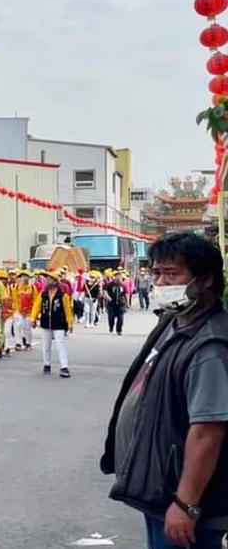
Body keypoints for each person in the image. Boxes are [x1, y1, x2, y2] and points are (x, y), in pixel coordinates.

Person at [100, 232, 228, 549]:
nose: (161, 281)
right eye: (156, 272)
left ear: (206, 279)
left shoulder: (209, 347)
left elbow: (208, 431)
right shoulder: (175, 322)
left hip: (185, 502)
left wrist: (186, 504)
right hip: (158, 490)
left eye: (172, 274)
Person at [31, 271, 73, 378]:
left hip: (59, 323)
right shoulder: (43, 294)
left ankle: (64, 366)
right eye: (47, 279)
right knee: (46, 345)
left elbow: (68, 310)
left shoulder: (62, 295)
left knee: (60, 344)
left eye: (50, 279)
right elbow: (37, 306)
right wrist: (33, 318)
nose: (48, 281)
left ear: (55, 282)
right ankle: (47, 364)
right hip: (46, 322)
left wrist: (70, 323)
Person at [10, 270, 38, 352]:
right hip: (18, 310)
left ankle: (28, 342)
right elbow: (13, 299)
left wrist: (35, 314)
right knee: (18, 326)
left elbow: (36, 300)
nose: (24, 278)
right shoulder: (16, 287)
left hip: (29, 311)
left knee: (27, 327)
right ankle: (18, 343)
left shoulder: (32, 287)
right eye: (22, 276)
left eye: (26, 276)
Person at [105, 270, 129, 336]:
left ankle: (119, 330)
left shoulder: (123, 285)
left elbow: (126, 294)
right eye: (116, 276)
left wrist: (128, 303)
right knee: (111, 317)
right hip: (111, 304)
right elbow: (105, 291)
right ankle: (111, 326)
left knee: (120, 317)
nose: (118, 277)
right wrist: (107, 297)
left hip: (121, 303)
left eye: (119, 276)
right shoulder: (110, 284)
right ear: (114, 277)